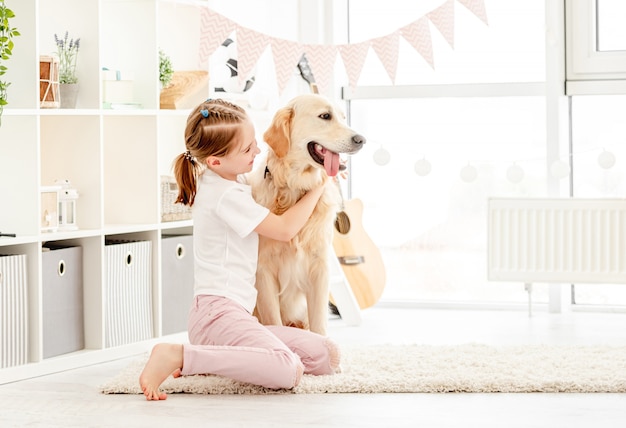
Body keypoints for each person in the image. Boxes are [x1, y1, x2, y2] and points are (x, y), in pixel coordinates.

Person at [139, 99, 341, 401]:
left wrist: (318, 163)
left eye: (254, 144)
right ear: (216, 161)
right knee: (287, 369)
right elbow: (285, 230)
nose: (258, 152)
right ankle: (181, 356)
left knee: (325, 355)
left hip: (235, 315)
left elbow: (267, 176)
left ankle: (214, 358)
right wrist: (321, 185)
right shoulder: (226, 196)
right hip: (216, 316)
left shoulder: (226, 180)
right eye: (247, 150)